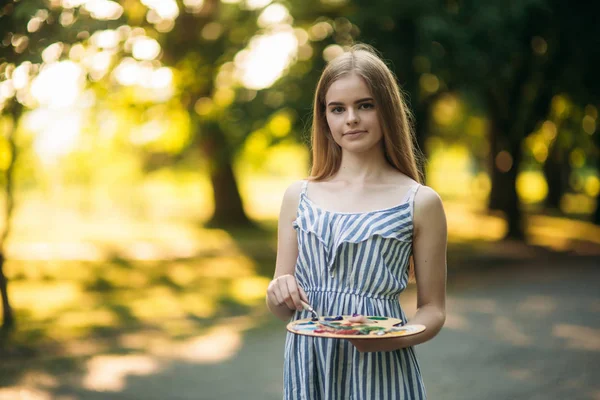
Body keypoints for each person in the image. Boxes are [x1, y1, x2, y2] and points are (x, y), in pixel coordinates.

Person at [266, 44, 447, 400]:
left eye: (365, 105)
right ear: (325, 118)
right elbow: (280, 305)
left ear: (387, 111)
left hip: (382, 371)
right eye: (338, 108)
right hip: (308, 367)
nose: (351, 118)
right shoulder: (297, 197)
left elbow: (434, 309)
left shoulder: (420, 202)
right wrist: (277, 291)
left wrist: (390, 339)